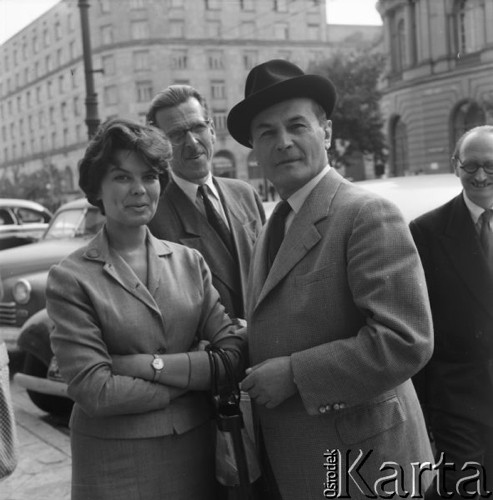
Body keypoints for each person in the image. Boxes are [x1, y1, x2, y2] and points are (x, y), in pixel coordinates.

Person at [226, 59, 435, 499]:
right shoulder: (273, 224)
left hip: (368, 469)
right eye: (266, 133)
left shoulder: (364, 213)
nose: (282, 142)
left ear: (326, 133)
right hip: (306, 462)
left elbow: (405, 339)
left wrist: (295, 375)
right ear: (255, 151)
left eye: (297, 125)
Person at [45, 118, 245, 500]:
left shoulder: (190, 262)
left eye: (150, 176)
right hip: (114, 462)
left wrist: (147, 366)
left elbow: (232, 355)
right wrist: (188, 382)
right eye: (122, 177)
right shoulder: (70, 278)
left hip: (198, 452)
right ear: (96, 189)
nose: (139, 190)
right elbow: (95, 390)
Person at [410, 125, 493, 499]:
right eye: (471, 165)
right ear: (455, 165)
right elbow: (418, 325)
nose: (480, 176)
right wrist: (426, 413)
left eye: (491, 166)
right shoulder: (426, 231)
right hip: (458, 408)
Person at [146, 85, 265, 320]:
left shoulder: (245, 194)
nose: (192, 142)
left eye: (198, 127)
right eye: (177, 135)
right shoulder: (153, 217)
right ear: (160, 145)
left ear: (211, 130)